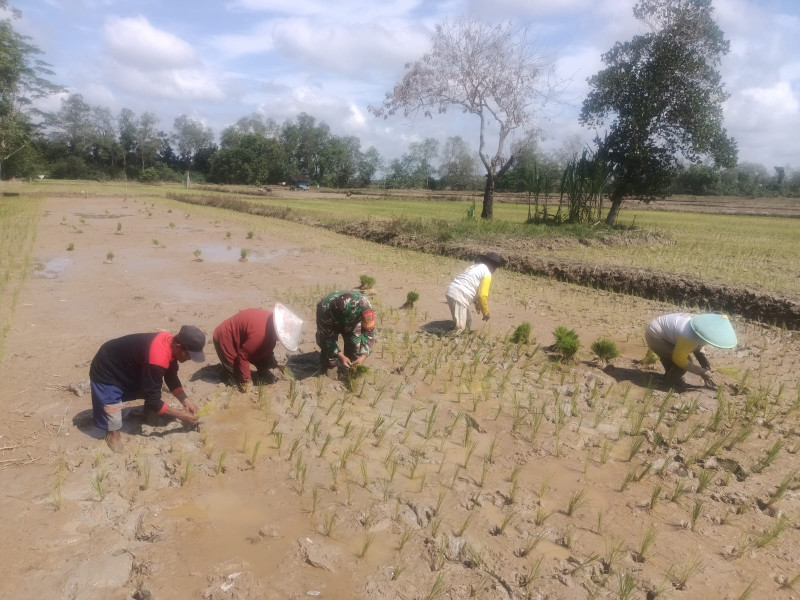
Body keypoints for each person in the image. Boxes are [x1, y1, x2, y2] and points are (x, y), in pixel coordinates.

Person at [89, 325, 206, 453]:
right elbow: (153, 401)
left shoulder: (170, 343)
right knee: (113, 414)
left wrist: (186, 401)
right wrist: (181, 415)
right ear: (178, 347)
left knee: (151, 385)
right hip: (106, 368)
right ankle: (112, 436)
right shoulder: (158, 356)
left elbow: (171, 377)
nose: (190, 359)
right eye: (189, 355)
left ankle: (149, 416)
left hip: (127, 366)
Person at [213, 304, 303, 392]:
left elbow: (267, 348)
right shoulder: (259, 334)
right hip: (225, 339)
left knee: (264, 357)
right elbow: (243, 356)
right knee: (235, 378)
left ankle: (261, 371)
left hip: (245, 339)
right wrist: (246, 383)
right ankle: (225, 375)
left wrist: (271, 361)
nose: (280, 340)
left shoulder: (271, 324)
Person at [645, 313, 738, 389]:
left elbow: (698, 347)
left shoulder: (701, 325)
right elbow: (679, 358)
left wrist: (706, 365)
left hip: (666, 334)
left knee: (675, 361)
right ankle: (666, 385)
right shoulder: (689, 336)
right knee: (685, 362)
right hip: (655, 336)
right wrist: (701, 372)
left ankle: (670, 377)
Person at [316, 290, 376, 373]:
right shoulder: (324, 309)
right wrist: (341, 356)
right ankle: (329, 365)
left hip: (353, 324)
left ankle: (350, 373)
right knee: (330, 358)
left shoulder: (365, 306)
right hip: (332, 322)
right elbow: (326, 337)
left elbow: (369, 333)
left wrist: (363, 356)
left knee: (355, 351)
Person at [446, 252, 503, 332]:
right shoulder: (487, 273)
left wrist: (477, 304)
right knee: (459, 329)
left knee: (467, 323)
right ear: (492, 266)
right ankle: (444, 338)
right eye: (495, 268)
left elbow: (473, 287)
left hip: (453, 290)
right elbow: (482, 295)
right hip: (459, 295)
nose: (494, 271)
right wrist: (486, 313)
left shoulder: (474, 267)